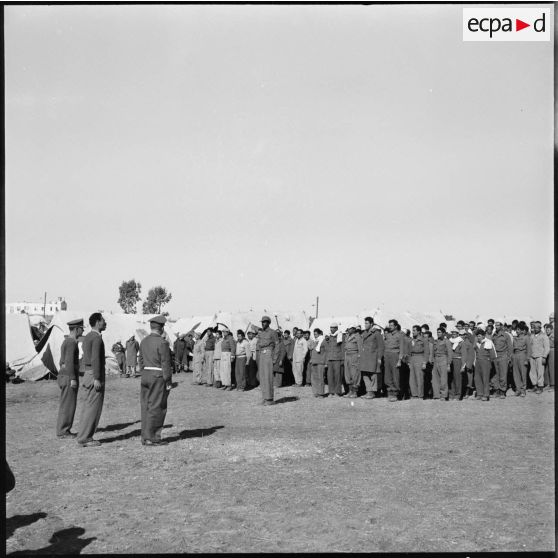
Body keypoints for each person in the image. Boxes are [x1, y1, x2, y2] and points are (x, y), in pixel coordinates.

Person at [138, 315, 172, 446]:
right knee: (157, 407)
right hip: (157, 376)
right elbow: (166, 363)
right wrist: (168, 380)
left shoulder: (144, 341)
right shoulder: (163, 343)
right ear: (162, 328)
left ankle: (145, 436)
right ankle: (152, 437)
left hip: (145, 374)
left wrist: (144, 372)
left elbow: (140, 360)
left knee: (145, 406)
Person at [76, 313, 107, 448]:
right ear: (97, 322)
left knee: (87, 406)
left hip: (88, 374)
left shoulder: (88, 336)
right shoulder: (96, 338)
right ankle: (86, 438)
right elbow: (95, 359)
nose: (105, 323)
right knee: (93, 408)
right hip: (93, 375)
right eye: (103, 320)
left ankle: (83, 435)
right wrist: (97, 378)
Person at [56, 318, 84, 439]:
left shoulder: (67, 341)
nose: (82, 331)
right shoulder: (71, 342)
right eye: (81, 329)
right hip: (69, 376)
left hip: (64, 374)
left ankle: (63, 429)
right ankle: (63, 431)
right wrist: (73, 378)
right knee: (68, 404)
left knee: (66, 404)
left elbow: (61, 362)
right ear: (77, 329)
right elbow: (68, 362)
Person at [359, 318, 384, 399]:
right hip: (365, 357)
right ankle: (369, 391)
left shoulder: (376, 333)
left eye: (367, 323)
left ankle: (372, 392)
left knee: (373, 375)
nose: (365, 325)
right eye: (365, 323)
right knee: (365, 374)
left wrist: (379, 357)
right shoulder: (364, 333)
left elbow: (381, 346)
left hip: (373, 357)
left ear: (371, 324)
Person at [257, 316, 279, 405]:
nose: (263, 323)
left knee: (268, 377)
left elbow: (277, 346)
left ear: (268, 323)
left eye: (265, 322)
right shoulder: (261, 333)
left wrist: (274, 359)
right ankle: (264, 397)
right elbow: (259, 345)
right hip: (262, 355)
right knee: (262, 377)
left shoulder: (273, 332)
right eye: (262, 322)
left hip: (268, 354)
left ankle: (269, 399)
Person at [383, 319, 405, 402]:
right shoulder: (387, 335)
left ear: (396, 326)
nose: (390, 327)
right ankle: (390, 392)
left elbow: (401, 348)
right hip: (387, 355)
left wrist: (399, 360)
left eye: (392, 325)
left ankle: (396, 393)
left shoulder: (400, 335)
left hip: (395, 355)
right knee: (388, 376)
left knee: (395, 375)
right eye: (389, 325)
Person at [474, 328, 497, 401]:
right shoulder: (477, 343)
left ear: (484, 336)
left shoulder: (488, 342)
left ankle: (486, 394)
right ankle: (479, 393)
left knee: (485, 379)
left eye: (480, 336)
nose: (478, 337)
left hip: (485, 362)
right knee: (477, 378)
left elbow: (493, 354)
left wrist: (489, 363)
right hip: (478, 362)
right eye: (477, 336)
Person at [491, 320, 512, 398]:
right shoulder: (494, 335)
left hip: (503, 356)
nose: (496, 327)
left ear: (502, 326)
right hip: (496, 356)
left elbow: (510, 347)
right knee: (496, 374)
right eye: (495, 325)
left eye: (498, 325)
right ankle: (497, 390)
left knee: (503, 374)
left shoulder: (506, 335)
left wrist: (509, 358)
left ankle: (502, 391)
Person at [408, 325, 429, 400]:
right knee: (412, 378)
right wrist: (409, 361)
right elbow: (409, 351)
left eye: (414, 330)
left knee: (419, 377)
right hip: (412, 358)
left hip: (420, 357)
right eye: (412, 330)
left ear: (419, 331)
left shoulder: (424, 340)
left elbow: (426, 352)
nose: (412, 332)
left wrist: (424, 362)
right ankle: (414, 394)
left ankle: (420, 395)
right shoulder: (412, 340)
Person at [432, 328, 453, 401]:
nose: (438, 333)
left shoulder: (447, 341)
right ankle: (436, 394)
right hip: (436, 359)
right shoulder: (436, 341)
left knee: (443, 378)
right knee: (435, 378)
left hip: (443, 359)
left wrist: (448, 364)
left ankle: (443, 395)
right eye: (437, 332)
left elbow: (450, 353)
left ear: (444, 333)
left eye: (440, 332)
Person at [324, 323, 344, 397]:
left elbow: (342, 348)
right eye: (330, 327)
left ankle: (337, 392)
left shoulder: (340, 335)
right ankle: (331, 391)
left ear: (336, 328)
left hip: (338, 359)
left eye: (333, 328)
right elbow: (327, 348)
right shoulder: (329, 336)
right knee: (330, 376)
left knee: (337, 376)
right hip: (330, 359)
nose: (331, 329)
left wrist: (343, 359)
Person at [529, 321, 550, 395]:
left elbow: (547, 348)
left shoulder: (544, 336)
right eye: (534, 328)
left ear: (540, 328)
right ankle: (534, 386)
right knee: (532, 372)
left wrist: (544, 356)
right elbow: (529, 346)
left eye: (537, 328)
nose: (535, 329)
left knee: (540, 372)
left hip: (540, 356)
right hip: (532, 356)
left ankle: (540, 387)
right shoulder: (531, 336)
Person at [344, 325, 363, 398]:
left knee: (355, 374)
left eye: (350, 328)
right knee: (347, 374)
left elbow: (360, 348)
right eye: (348, 328)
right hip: (347, 355)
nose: (349, 330)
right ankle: (350, 391)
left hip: (354, 355)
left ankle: (354, 392)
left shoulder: (357, 336)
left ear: (354, 329)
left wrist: (359, 357)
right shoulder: (347, 336)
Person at [512, 323, 531, 397]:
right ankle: (518, 389)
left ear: (522, 330)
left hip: (523, 355)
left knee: (523, 374)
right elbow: (513, 350)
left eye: (518, 329)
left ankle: (523, 390)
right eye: (516, 329)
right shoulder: (514, 338)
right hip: (515, 356)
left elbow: (529, 349)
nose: (517, 331)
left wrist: (527, 359)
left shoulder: (526, 338)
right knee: (516, 374)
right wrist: (512, 358)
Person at [309, 328, 326, 397]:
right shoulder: (314, 341)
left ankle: (321, 393)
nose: (315, 335)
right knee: (314, 378)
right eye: (314, 334)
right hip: (314, 361)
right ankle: (315, 392)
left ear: (319, 334)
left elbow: (325, 352)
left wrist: (325, 362)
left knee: (320, 378)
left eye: (316, 334)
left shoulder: (323, 341)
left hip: (320, 362)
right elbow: (310, 349)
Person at [544, 323, 554, 390]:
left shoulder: (553, 336)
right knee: (547, 368)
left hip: (552, 351)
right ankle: (548, 383)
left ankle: (553, 384)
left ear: (552, 330)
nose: (547, 331)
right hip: (547, 352)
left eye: (548, 330)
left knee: (552, 368)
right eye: (546, 330)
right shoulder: (546, 336)